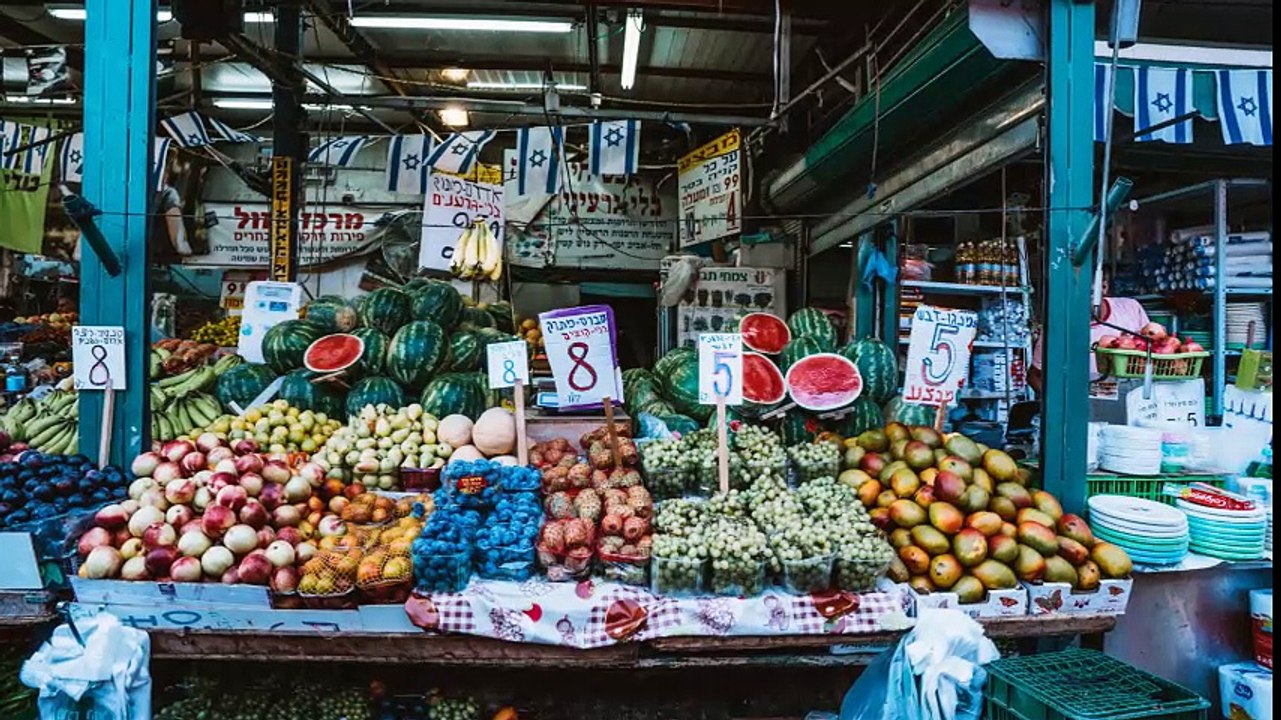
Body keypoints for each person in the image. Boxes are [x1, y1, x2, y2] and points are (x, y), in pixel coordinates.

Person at [1027, 274, 1150, 394]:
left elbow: (1151, 352)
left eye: (1090, 294)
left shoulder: (1130, 308)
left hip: (1131, 397)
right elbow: (1034, 376)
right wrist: (1057, 408)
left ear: (1104, 287)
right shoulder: (1058, 327)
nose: (1083, 302)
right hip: (1083, 402)